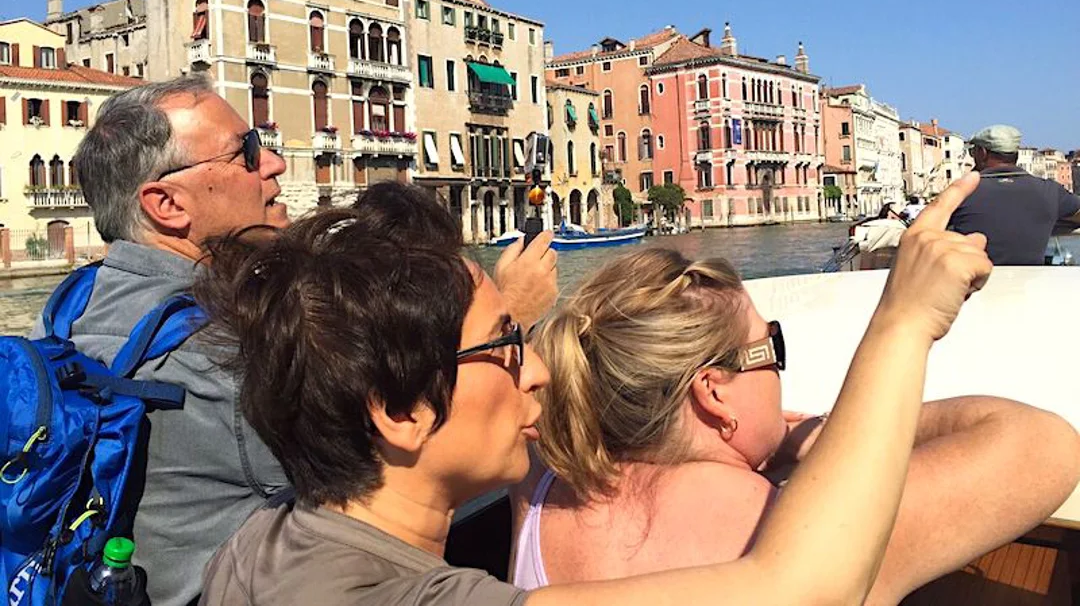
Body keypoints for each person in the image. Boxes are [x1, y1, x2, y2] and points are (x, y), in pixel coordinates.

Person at [201, 178, 1004, 606]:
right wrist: (902, 323)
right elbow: (800, 595)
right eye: (506, 346)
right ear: (404, 413)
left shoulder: (261, 541)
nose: (539, 370)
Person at [515, 197, 1080, 604]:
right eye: (772, 346)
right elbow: (1044, 444)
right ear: (713, 394)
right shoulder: (811, 534)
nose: (782, 368)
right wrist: (834, 428)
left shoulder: (539, 483)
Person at [29, 75, 292, 606]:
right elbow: (392, 488)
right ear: (167, 205)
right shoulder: (232, 347)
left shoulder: (66, 307)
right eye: (247, 151)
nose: (274, 163)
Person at [949, 125, 1080, 265]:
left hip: (977, 283)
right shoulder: (1050, 191)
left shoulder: (960, 192)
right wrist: (1048, 224)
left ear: (982, 153)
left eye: (972, 152)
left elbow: (927, 230)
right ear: (1016, 155)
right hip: (1030, 283)